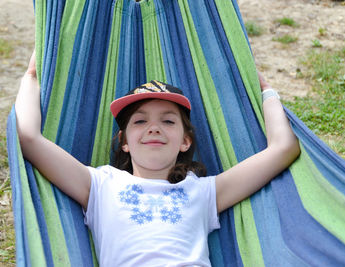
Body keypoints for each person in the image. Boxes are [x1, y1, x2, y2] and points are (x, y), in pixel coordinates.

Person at [15, 51, 300, 266]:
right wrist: (30, 76)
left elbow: (282, 149)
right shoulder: (100, 185)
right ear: (124, 142)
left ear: (185, 141)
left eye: (168, 121)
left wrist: (267, 92)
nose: (154, 127)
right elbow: (28, 138)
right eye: (140, 122)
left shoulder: (203, 191)